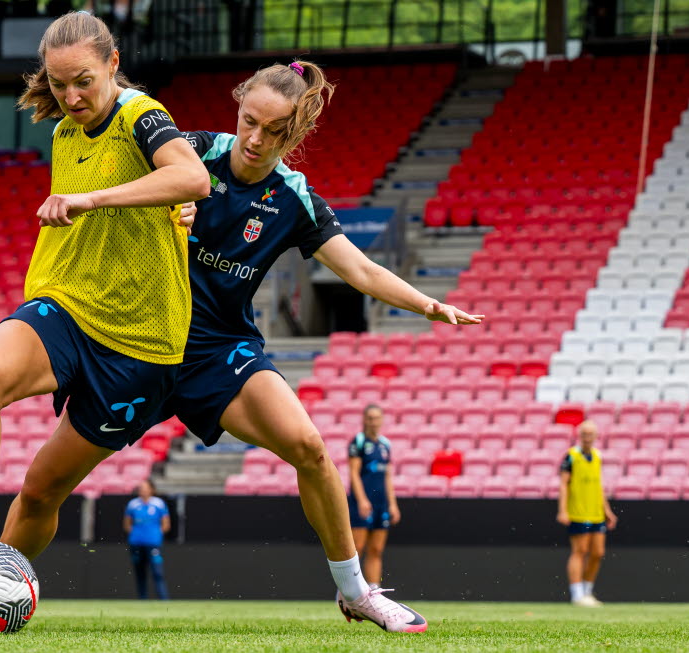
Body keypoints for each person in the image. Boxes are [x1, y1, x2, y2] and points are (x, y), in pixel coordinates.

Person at [0, 10, 208, 627]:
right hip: (67, 302)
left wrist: (92, 198)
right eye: (58, 86)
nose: (71, 97)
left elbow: (192, 176)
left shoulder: (142, 114)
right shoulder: (63, 133)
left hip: (140, 343)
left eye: (83, 80)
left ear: (112, 64)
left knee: (41, 491)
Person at [153, 60, 481, 632]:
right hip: (143, 337)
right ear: (238, 109)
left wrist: (427, 303)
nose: (255, 139)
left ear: (294, 133)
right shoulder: (192, 152)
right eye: (249, 121)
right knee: (47, 484)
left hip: (220, 351)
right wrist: (164, 206)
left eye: (274, 131)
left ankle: (356, 592)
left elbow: (361, 270)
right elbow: (133, 185)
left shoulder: (293, 198)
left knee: (310, 446)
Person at [557, 420, 617, 607]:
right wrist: (563, 510)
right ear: (579, 436)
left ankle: (587, 591)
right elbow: (563, 484)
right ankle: (576, 594)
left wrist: (606, 509)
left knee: (598, 552)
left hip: (595, 511)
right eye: (584, 434)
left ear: (596, 436)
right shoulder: (571, 456)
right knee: (580, 550)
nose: (587, 438)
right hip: (578, 511)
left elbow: (598, 485)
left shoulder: (597, 456)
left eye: (590, 434)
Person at [347, 404, 398, 589]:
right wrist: (361, 499)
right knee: (357, 548)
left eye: (377, 418)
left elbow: (388, 476)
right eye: (370, 418)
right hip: (362, 502)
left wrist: (393, 504)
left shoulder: (385, 444)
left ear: (381, 420)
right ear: (364, 420)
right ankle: (349, 590)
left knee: (376, 549)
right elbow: (353, 473)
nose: (373, 422)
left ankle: (375, 590)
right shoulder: (358, 442)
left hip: (381, 504)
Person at [123, 479, 170, 600]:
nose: (142, 491)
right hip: (136, 543)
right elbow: (127, 523)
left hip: (153, 543)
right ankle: (142, 600)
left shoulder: (159, 503)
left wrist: (157, 534)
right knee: (140, 573)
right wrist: (134, 533)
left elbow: (166, 524)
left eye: (145, 488)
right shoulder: (133, 504)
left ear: (151, 490)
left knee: (157, 573)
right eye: (141, 488)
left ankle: (164, 600)